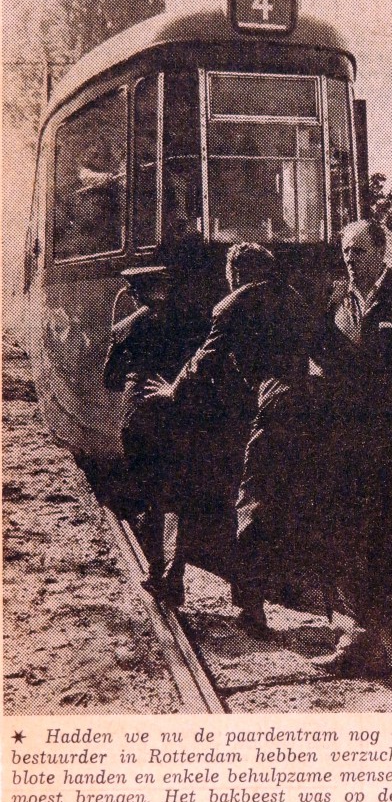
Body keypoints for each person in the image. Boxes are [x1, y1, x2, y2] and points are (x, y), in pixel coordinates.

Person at [145, 243, 310, 638]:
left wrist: (174, 391)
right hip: (302, 409)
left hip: (266, 409)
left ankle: (251, 608)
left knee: (248, 504)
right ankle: (285, 585)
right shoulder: (295, 300)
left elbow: (206, 360)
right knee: (287, 500)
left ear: (234, 274)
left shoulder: (231, 306)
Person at [312, 219, 392, 677]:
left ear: (382, 252)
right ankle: (365, 622)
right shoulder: (337, 298)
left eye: (359, 251)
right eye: (346, 251)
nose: (350, 259)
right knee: (353, 516)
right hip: (352, 428)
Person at [103, 266, 189, 606]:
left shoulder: (125, 329)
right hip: (174, 414)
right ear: (163, 289)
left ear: (135, 293)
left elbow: (109, 379)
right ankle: (174, 578)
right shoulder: (186, 323)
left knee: (151, 498)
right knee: (177, 500)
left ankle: (156, 572)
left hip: (137, 417)